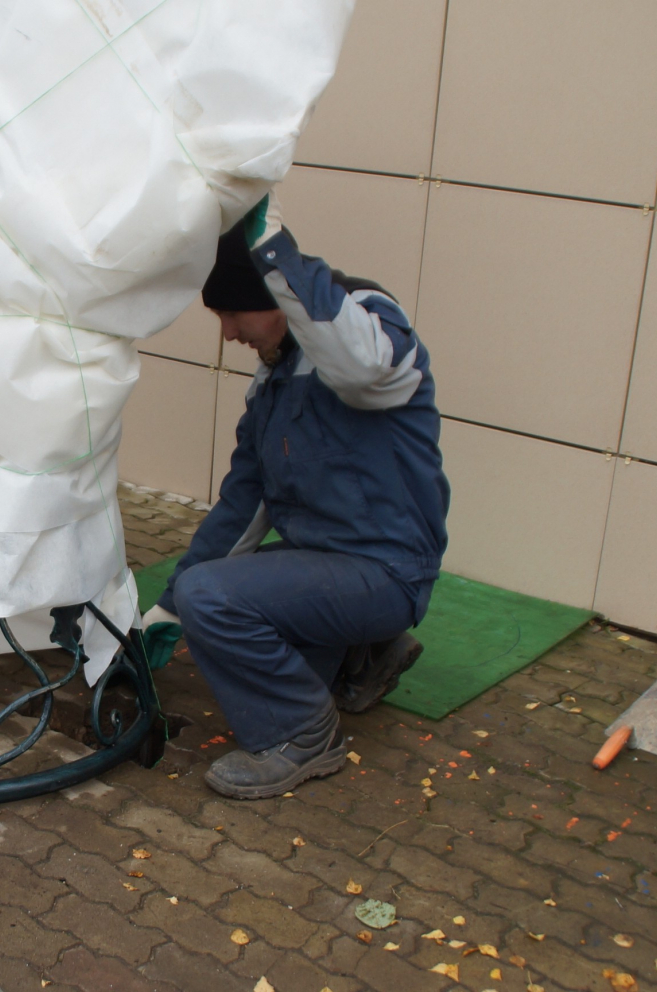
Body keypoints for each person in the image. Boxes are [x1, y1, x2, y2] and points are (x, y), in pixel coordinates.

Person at [144, 198, 448, 799]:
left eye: (232, 313)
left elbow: (358, 367)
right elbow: (242, 507)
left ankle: (303, 738)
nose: (228, 333)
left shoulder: (368, 324)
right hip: (334, 570)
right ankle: (366, 656)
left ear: (276, 298)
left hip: (388, 571)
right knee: (213, 595)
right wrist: (168, 608)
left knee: (219, 601)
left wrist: (271, 245)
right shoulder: (275, 382)